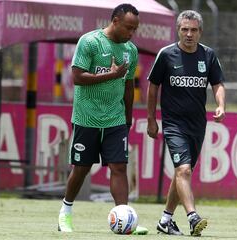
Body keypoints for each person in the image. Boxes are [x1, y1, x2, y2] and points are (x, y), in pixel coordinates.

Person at [58, 3, 147, 235]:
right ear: (115, 21)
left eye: (135, 29)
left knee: (119, 167)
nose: (131, 33)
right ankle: (65, 213)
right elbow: (77, 77)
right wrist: (112, 74)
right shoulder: (89, 42)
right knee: (81, 168)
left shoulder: (131, 50)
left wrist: (128, 119)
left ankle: (125, 218)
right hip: (87, 117)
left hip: (115, 119)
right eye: (128, 27)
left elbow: (129, 86)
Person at [147, 10, 226, 236]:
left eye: (193, 30)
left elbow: (218, 83)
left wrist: (221, 105)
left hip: (197, 125)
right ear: (178, 30)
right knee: (183, 169)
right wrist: (151, 119)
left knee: (184, 172)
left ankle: (165, 220)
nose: (189, 34)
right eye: (184, 29)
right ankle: (192, 217)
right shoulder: (166, 54)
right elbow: (153, 87)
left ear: (200, 32)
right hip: (173, 124)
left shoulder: (208, 55)